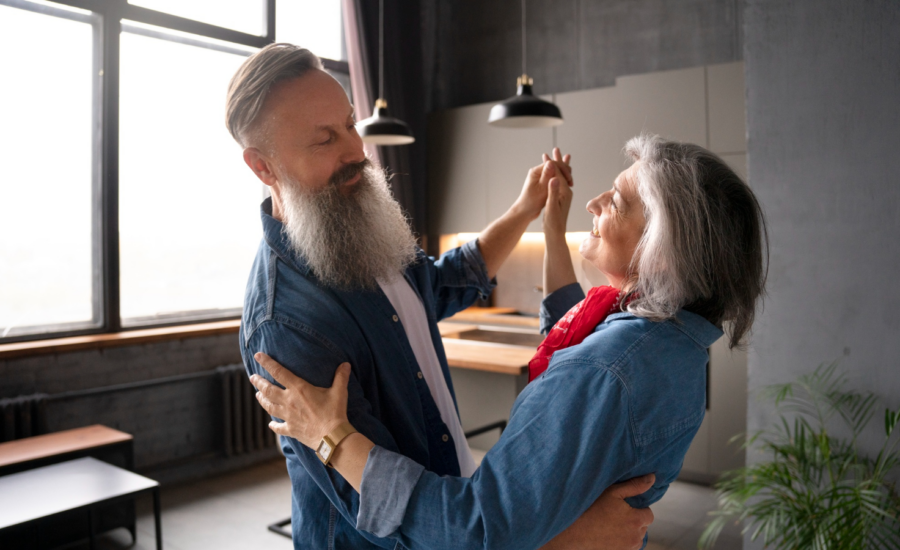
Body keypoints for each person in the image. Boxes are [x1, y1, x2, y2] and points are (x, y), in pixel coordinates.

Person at [249, 134, 769, 550]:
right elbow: (568, 331)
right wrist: (548, 220)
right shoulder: (672, 343)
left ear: (662, 249)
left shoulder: (603, 370)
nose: (595, 201)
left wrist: (331, 434)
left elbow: (473, 531)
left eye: (617, 201)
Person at [228, 43, 654, 549]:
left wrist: (525, 209)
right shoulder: (285, 323)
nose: (356, 152)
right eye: (324, 141)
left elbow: (443, 282)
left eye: (349, 124)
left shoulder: (353, 224)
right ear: (263, 167)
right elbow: (384, 513)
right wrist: (559, 538)